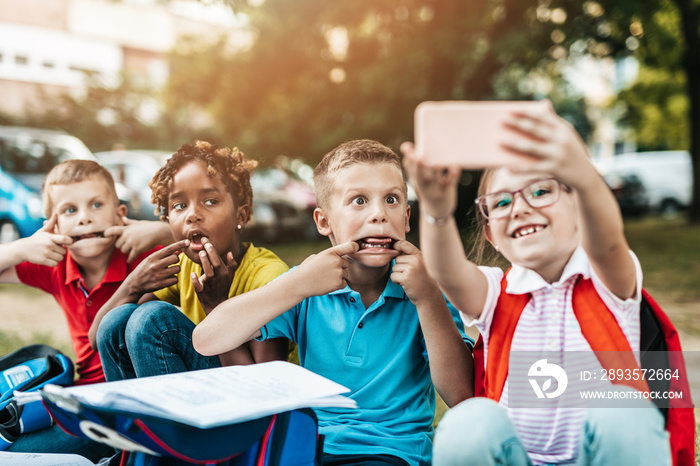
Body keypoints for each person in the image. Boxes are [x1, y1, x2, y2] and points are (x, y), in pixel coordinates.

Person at [401, 103, 672, 465]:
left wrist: (583, 174)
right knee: (469, 422)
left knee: (624, 413)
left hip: (597, 457)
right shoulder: (496, 293)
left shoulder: (607, 279)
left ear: (579, 206)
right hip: (520, 458)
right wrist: (436, 210)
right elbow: (447, 272)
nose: (520, 207)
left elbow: (607, 242)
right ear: (491, 234)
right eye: (500, 201)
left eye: (541, 192)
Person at [193, 139, 475, 466]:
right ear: (324, 221)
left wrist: (427, 298)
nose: (379, 215)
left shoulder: (426, 288)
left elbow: (461, 396)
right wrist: (296, 285)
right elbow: (206, 339)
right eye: (358, 200)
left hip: (391, 452)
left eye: (392, 199)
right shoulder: (305, 285)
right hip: (306, 449)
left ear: (407, 217)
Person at [0, 159, 172, 461]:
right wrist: (22, 247)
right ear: (51, 225)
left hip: (137, 400)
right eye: (70, 210)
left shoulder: (143, 257)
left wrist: (163, 232)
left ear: (121, 214)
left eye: (96, 205)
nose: (84, 219)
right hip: (84, 400)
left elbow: (215, 244)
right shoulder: (55, 265)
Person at [94, 140, 289, 382]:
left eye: (210, 201)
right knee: (117, 321)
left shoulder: (268, 277)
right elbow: (98, 337)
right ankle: (136, 419)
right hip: (208, 389)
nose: (192, 215)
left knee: (152, 318)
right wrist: (132, 284)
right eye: (179, 205)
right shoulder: (184, 266)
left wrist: (216, 306)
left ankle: (163, 421)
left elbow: (269, 390)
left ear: (241, 214)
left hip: (252, 401)